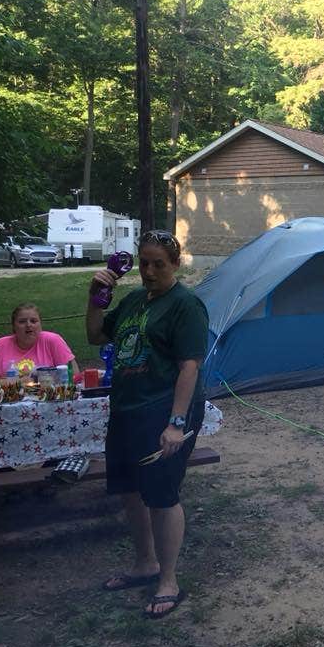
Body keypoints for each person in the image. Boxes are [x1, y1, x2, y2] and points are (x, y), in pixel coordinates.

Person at [86, 230, 208, 620]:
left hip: (162, 410)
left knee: (161, 494)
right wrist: (95, 297)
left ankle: (168, 580)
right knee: (130, 491)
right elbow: (94, 334)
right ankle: (145, 564)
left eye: (159, 263)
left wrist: (176, 423)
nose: (150, 270)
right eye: (145, 263)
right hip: (126, 408)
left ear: (175, 264)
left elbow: (190, 365)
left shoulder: (185, 305)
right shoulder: (135, 299)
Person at [0, 304, 79, 386]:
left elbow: (74, 375)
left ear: (40, 325)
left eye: (33, 321)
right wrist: (14, 382)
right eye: (22, 322)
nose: (29, 325)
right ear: (14, 326)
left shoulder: (53, 340)